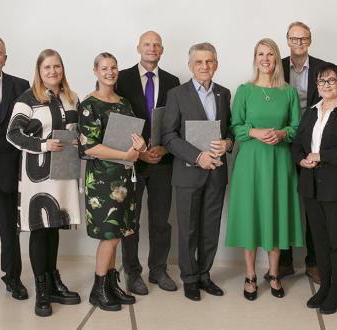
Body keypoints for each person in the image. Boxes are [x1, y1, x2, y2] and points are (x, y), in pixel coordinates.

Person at [225, 38, 303, 301]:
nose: (266, 59)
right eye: (261, 54)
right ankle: (250, 275)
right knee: (252, 215)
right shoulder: (244, 90)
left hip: (279, 162)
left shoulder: (288, 92)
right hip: (250, 162)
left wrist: (282, 133)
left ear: (277, 58)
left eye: (270, 54)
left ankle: (273, 273)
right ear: (255, 58)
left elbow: (296, 128)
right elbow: (236, 127)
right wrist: (255, 131)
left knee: (276, 214)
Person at [6, 49, 81, 316]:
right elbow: (12, 134)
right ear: (39, 71)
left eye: (57, 67)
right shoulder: (27, 99)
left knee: (55, 226)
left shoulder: (71, 98)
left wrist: (79, 141)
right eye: (47, 67)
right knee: (40, 227)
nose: (52, 72)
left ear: (62, 69)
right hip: (38, 174)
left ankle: (52, 282)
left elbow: (77, 131)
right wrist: (43, 144)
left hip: (64, 170)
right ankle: (41, 291)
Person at [291, 62, 337, 314]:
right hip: (311, 186)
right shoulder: (311, 112)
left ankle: (336, 289)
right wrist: (301, 159)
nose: (326, 85)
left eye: (331, 81)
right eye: (321, 82)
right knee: (320, 241)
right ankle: (323, 286)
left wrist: (321, 156)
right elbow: (297, 145)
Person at [162, 42, 232, 301]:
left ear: (216, 63)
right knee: (188, 228)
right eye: (199, 62)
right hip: (188, 172)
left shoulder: (223, 94)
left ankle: (204, 274)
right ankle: (189, 277)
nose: (204, 66)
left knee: (210, 228)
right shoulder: (177, 94)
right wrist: (197, 156)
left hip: (216, 173)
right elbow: (168, 135)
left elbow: (230, 132)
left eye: (209, 61)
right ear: (190, 65)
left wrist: (228, 143)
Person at [78, 52, 146, 311]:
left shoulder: (123, 103)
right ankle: (98, 290)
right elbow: (89, 147)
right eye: (104, 68)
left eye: (114, 67)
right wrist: (125, 155)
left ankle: (110, 284)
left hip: (125, 178)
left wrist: (139, 147)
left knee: (117, 234)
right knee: (108, 236)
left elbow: (130, 140)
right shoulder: (89, 105)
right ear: (95, 71)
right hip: (103, 181)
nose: (110, 72)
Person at [116, 31, 180, 295]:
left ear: (162, 50)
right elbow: (116, 122)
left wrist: (164, 148)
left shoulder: (173, 81)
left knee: (161, 220)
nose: (152, 48)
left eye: (156, 45)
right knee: (130, 220)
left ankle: (158, 269)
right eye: (147, 44)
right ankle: (132, 272)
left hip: (162, 162)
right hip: (132, 162)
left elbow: (176, 121)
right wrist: (139, 153)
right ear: (138, 48)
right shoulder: (121, 79)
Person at [0, 35, 29, 299]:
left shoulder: (20, 86)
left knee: (10, 233)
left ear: (5, 58)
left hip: (10, 172)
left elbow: (31, 124)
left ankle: (13, 278)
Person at [278, 21, 326, 283]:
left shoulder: (322, 68)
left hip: (313, 142)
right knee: (284, 200)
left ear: (310, 40)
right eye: (294, 39)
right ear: (287, 40)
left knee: (312, 202)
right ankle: (284, 262)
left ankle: (314, 262)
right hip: (284, 141)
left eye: (303, 38)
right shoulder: (276, 66)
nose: (299, 43)